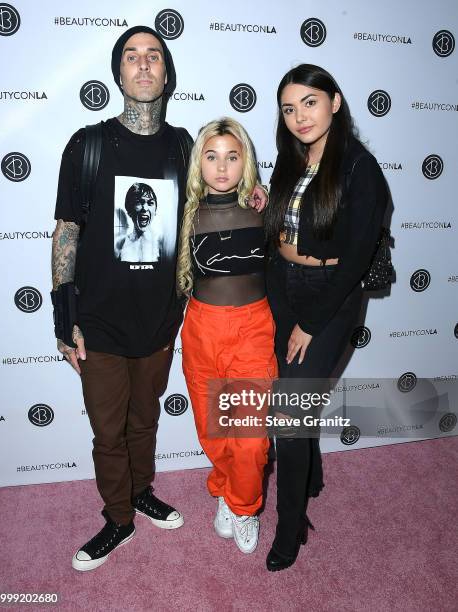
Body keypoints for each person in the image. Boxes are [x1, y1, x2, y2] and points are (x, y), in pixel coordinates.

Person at [51, 25, 191, 572]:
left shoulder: (184, 146)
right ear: (118, 74)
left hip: (159, 320)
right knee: (108, 430)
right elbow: (67, 233)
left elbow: (214, 200)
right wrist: (65, 320)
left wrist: (253, 195)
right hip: (100, 321)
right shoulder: (87, 144)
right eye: (131, 57)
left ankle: (139, 491)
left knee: (144, 422)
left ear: (165, 72)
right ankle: (118, 519)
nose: (142, 65)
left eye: (153, 56)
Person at [264, 64, 388, 571]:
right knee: (296, 391)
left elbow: (356, 260)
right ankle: (310, 476)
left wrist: (310, 321)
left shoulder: (361, 168)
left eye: (309, 103)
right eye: (289, 108)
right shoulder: (289, 160)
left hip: (330, 296)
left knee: (289, 417)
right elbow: (279, 230)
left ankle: (290, 525)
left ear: (334, 102)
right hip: (285, 289)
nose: (299, 117)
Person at [177, 118, 277, 554]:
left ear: (246, 161)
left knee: (251, 437)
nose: (222, 167)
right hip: (201, 327)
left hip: (253, 327)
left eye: (232, 157)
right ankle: (224, 484)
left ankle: (244, 505)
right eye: (212, 156)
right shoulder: (184, 215)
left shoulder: (263, 208)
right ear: (200, 161)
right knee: (212, 428)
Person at [116, 182, 162, 262]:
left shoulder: (162, 245)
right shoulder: (119, 245)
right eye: (139, 203)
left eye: (150, 203)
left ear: (155, 210)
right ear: (129, 210)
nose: (145, 208)